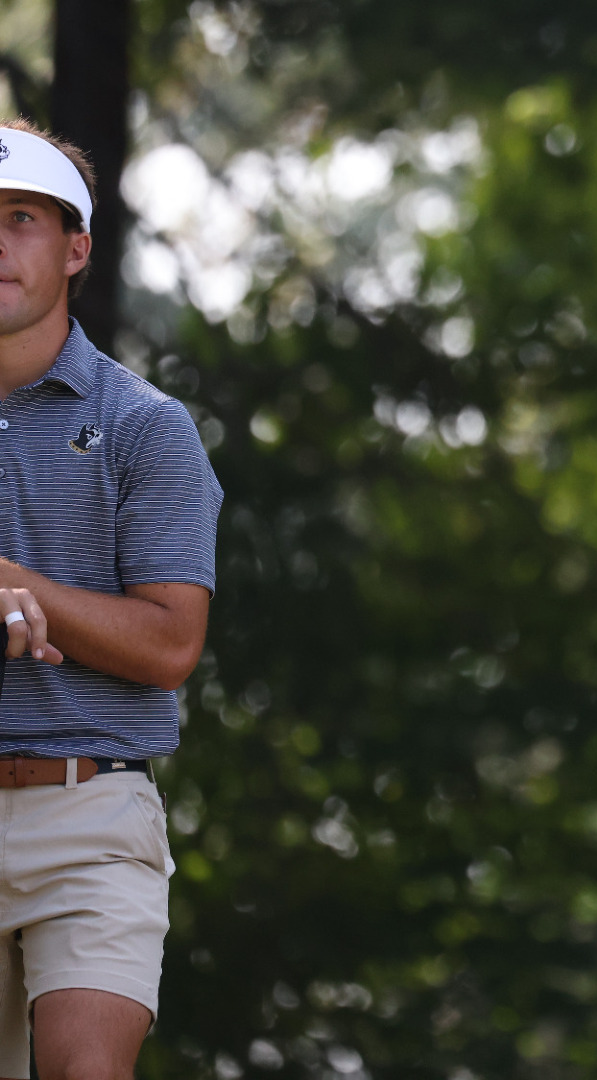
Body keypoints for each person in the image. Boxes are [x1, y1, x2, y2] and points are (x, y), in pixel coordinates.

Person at [0, 119, 223, 1079]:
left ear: (76, 248)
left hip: (89, 813)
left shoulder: (144, 426)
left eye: (21, 219)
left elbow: (172, 644)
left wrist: (18, 588)